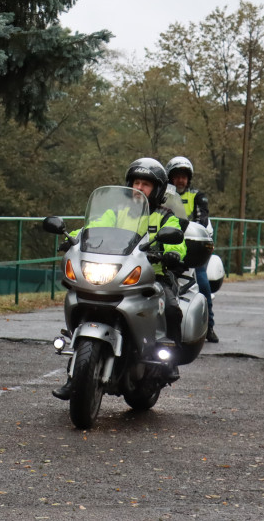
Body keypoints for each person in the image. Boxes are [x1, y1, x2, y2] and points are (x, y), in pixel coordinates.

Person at [53, 158, 187, 400]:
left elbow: (180, 242)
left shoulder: (166, 217)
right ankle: (74, 378)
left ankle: (170, 359)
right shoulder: (117, 213)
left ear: (156, 189)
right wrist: (73, 238)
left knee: (171, 308)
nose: (139, 188)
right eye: (136, 182)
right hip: (120, 274)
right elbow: (93, 228)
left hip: (153, 275)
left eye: (145, 184)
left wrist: (174, 253)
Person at [166, 156, 217, 343]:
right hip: (167, 245)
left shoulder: (197, 196)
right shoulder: (163, 196)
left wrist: (188, 231)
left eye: (184, 176)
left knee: (202, 283)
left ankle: (209, 326)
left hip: (192, 246)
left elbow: (202, 219)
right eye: (177, 176)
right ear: (170, 177)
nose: (181, 180)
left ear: (189, 178)